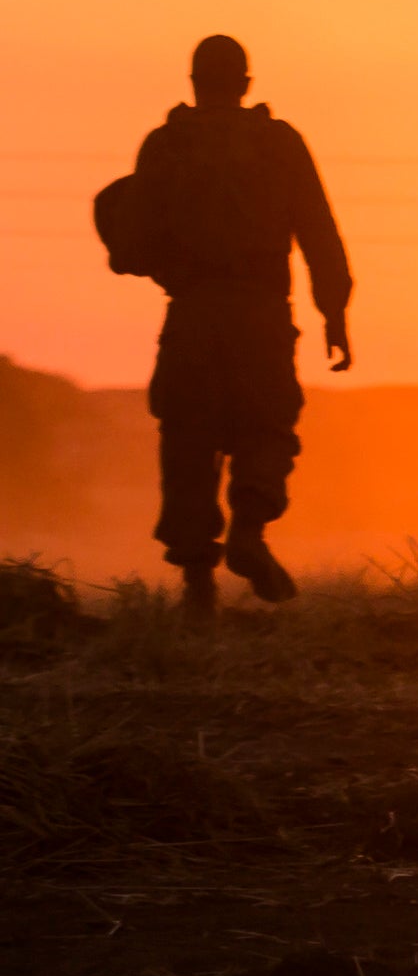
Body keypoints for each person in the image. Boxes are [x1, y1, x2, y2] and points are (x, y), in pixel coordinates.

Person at [102, 35, 352, 610]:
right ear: (245, 85)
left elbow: (132, 247)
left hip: (192, 315)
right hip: (262, 315)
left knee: (188, 440)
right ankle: (248, 533)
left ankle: (196, 583)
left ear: (193, 84)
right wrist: (334, 314)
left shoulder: (165, 146)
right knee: (266, 429)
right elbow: (319, 232)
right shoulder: (279, 143)